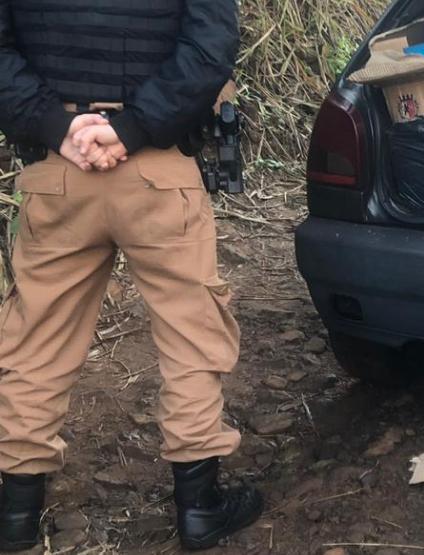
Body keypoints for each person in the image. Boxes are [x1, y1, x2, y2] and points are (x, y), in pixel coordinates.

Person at [0, 1, 262, 551]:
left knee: (34, 341)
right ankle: (199, 510)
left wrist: (60, 127)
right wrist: (132, 128)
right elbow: (209, 48)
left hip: (58, 172)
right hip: (158, 171)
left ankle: (15, 516)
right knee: (192, 335)